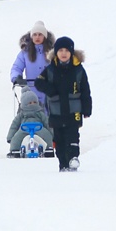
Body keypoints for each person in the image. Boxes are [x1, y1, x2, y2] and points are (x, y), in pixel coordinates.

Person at [35, 35, 91, 172]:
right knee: (59, 139)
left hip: (74, 111)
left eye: (66, 50)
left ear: (71, 52)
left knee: (72, 135)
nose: (64, 53)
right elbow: (38, 82)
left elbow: (85, 90)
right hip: (56, 111)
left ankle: (73, 158)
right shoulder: (50, 69)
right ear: (56, 53)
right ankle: (63, 163)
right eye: (60, 50)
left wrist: (87, 108)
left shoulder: (78, 69)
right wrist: (50, 89)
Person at [10, 21, 55, 107]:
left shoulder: (52, 52)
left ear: (44, 36)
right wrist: (16, 78)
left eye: (40, 34)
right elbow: (16, 68)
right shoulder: (25, 52)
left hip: (48, 90)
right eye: (35, 35)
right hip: (31, 91)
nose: (37, 37)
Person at [6, 88, 52, 158]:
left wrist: (53, 134)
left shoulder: (40, 113)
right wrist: (10, 137)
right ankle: (14, 150)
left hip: (39, 129)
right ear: (24, 104)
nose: (32, 104)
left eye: (34, 102)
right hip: (24, 130)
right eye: (30, 103)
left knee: (46, 135)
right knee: (17, 138)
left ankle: (49, 148)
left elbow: (47, 123)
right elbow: (14, 125)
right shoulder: (21, 114)